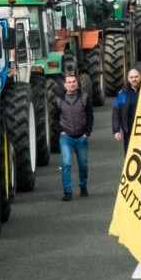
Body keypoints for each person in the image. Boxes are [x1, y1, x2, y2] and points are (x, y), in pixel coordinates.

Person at [53, 70, 93, 200]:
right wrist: (60, 131)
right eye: (69, 82)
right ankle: (67, 192)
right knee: (66, 164)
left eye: (74, 82)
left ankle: (83, 186)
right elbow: (54, 117)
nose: (72, 84)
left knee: (83, 164)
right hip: (66, 137)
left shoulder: (84, 97)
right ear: (65, 85)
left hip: (81, 136)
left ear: (77, 83)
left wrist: (87, 132)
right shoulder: (59, 99)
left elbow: (90, 116)